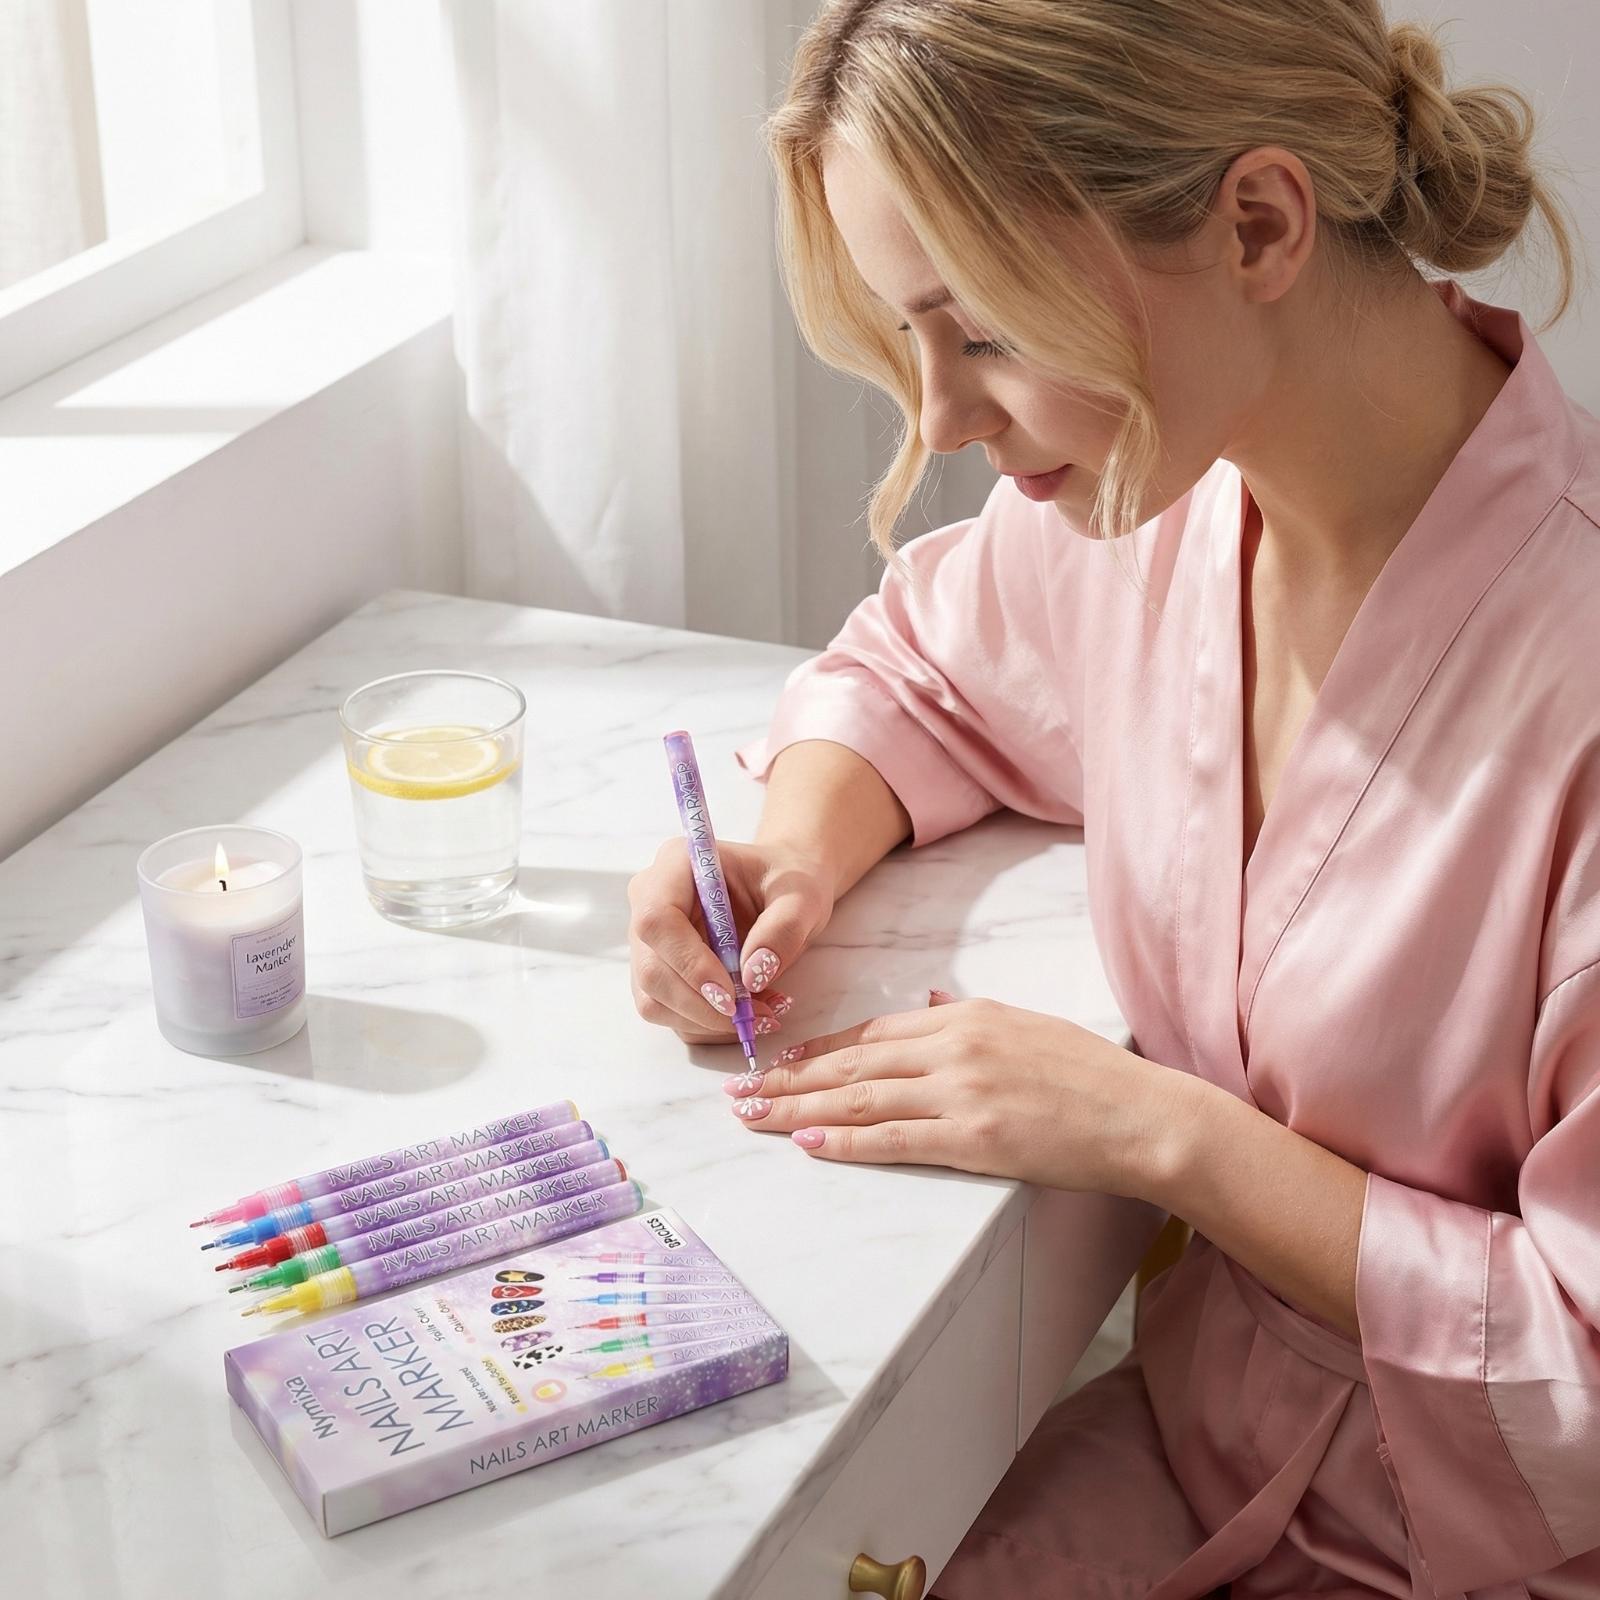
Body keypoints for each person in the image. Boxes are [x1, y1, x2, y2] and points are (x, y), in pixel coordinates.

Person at [626, 2, 1598, 1594]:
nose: (938, 418)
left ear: (1258, 224)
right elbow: (922, 669)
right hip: (1198, 1445)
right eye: (913, 337)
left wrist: (1161, 1133)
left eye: (983, 331)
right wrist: (791, 852)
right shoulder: (1161, 503)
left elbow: (1585, 1371)